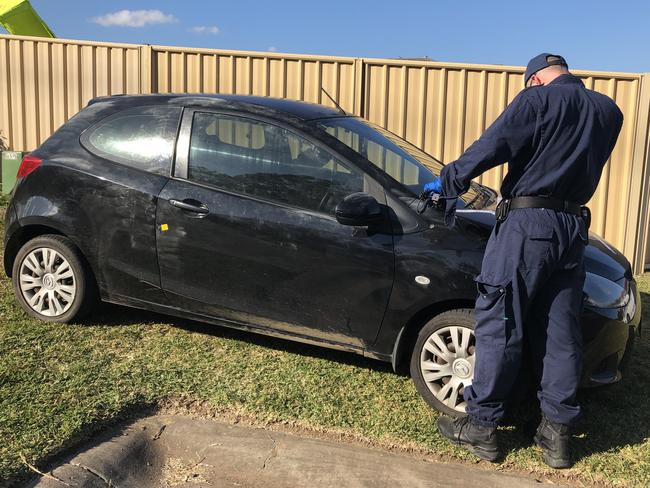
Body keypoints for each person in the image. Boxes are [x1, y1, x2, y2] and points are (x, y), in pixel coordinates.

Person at [432, 53, 623, 469]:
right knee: (560, 331)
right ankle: (557, 435)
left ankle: (482, 426)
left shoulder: (534, 100)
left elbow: (492, 146)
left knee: (500, 321)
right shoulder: (609, 111)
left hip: (526, 225)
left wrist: (449, 180)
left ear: (534, 79)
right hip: (573, 229)